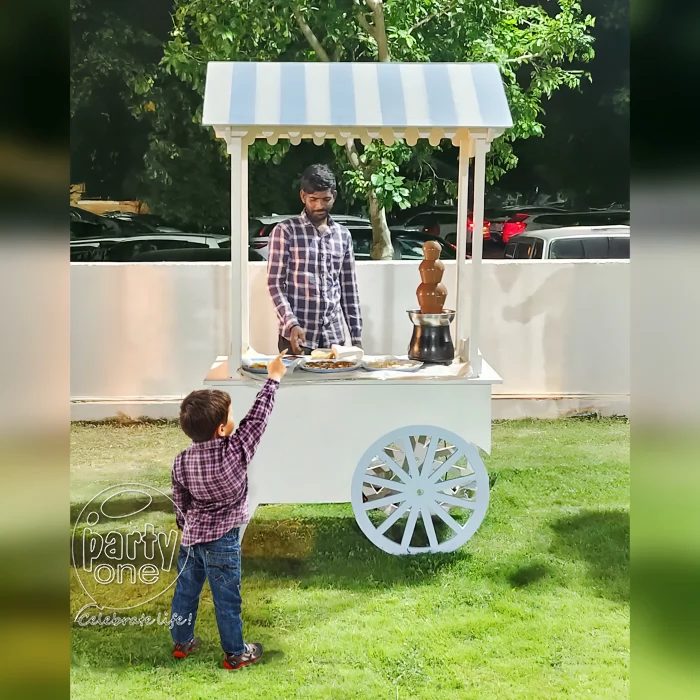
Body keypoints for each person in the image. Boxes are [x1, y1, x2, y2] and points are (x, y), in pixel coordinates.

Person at [169, 352, 287, 670]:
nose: (235, 419)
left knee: (186, 590)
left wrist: (186, 525)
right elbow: (258, 419)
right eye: (231, 416)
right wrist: (273, 378)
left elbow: (180, 502)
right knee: (226, 598)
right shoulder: (236, 451)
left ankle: (182, 641)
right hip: (223, 541)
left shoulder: (181, 461)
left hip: (192, 540)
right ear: (222, 429)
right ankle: (236, 653)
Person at [267, 164, 363, 354]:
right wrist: (291, 323)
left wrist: (357, 338)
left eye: (326, 199)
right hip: (296, 338)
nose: (319, 206)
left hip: (334, 340)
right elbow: (275, 284)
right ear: (303, 196)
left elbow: (349, 289)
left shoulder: (343, 236)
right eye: (313, 199)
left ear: (334, 196)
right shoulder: (286, 231)